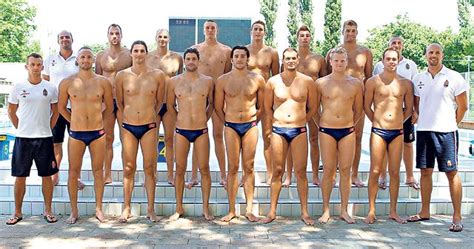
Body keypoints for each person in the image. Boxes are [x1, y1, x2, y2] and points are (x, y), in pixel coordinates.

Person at [407, 43, 467, 232]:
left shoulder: (454, 77)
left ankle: (456, 216)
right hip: (424, 131)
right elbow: (416, 105)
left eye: (437, 52)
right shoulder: (418, 79)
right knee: (425, 172)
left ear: (442, 55)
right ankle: (425, 211)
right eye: (430, 52)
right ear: (425, 55)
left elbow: (463, 106)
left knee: (452, 173)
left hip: (447, 132)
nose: (433, 55)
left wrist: (452, 124)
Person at [57, 47, 114, 224]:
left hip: (97, 133)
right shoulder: (67, 82)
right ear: (78, 60)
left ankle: (98, 209)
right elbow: (61, 108)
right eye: (82, 57)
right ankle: (74, 211)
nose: (86, 60)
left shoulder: (103, 82)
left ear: (93, 60)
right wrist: (73, 121)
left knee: (99, 172)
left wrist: (100, 123)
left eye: (89, 57)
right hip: (76, 133)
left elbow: (110, 107)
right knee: (73, 172)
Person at [261, 48, 316, 225]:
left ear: (298, 59)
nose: (290, 61)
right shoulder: (273, 82)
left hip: (299, 130)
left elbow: (313, 107)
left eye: (293, 58)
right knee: (277, 171)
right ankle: (272, 211)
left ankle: (305, 212)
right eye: (287, 58)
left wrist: (302, 121)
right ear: (283, 61)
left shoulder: (307, 81)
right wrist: (276, 123)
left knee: (301, 172)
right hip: (279, 130)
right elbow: (267, 107)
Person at [115, 41, 166, 223]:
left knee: (149, 168)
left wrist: (152, 117)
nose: (138, 54)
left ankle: (150, 209)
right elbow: (119, 103)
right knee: (128, 167)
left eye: (142, 51)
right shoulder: (122, 76)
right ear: (131, 54)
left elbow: (160, 102)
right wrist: (124, 122)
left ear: (146, 53)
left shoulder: (158, 75)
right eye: (135, 51)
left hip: (149, 126)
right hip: (129, 126)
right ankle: (126, 207)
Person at [6, 53, 60, 225]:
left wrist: (48, 128)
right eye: (32, 64)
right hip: (23, 139)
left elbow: (56, 111)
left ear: (42, 67)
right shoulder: (18, 87)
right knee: (20, 176)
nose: (36, 67)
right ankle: (17, 212)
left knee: (46, 176)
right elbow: (11, 112)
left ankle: (48, 211)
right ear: (26, 66)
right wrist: (21, 128)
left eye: (38, 65)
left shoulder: (50, 87)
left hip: (44, 138)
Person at [215, 46, 265, 222]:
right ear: (231, 59)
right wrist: (228, 121)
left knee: (249, 167)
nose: (239, 59)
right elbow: (218, 107)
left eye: (243, 56)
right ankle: (231, 209)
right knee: (233, 167)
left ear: (247, 59)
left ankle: (249, 209)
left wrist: (253, 121)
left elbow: (262, 107)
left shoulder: (258, 79)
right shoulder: (222, 81)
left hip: (250, 125)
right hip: (231, 126)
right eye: (236, 56)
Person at [364, 47, 413, 224]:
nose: (391, 62)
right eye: (388, 59)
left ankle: (393, 211)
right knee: (375, 170)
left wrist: (399, 122)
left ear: (399, 61)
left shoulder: (406, 83)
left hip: (397, 132)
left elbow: (408, 108)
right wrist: (376, 121)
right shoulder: (372, 82)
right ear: (383, 61)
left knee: (394, 171)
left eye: (394, 59)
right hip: (378, 130)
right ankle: (371, 210)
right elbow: (366, 106)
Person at [315, 47, 363, 224]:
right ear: (330, 61)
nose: (339, 63)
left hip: (347, 130)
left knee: (345, 170)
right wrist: (322, 124)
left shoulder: (356, 83)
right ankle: (326, 210)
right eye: (336, 60)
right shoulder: (320, 83)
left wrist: (350, 124)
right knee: (328, 170)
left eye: (342, 60)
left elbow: (358, 110)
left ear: (347, 62)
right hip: (327, 130)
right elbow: (314, 110)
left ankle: (344, 210)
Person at [168, 48, 214, 221]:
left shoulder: (208, 81)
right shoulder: (173, 82)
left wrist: (204, 119)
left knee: (205, 169)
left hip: (201, 129)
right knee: (179, 169)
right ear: (184, 61)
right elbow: (170, 105)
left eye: (194, 58)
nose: (191, 61)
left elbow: (211, 104)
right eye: (188, 58)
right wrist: (180, 120)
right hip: (182, 130)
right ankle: (179, 207)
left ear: (198, 60)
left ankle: (205, 208)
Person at [326, 20, 373, 187]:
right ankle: (335, 173)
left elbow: (369, 77)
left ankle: (353, 174)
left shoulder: (365, 52)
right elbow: (327, 77)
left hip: (357, 97)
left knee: (357, 137)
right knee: (335, 137)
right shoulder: (334, 52)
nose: (350, 33)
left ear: (357, 32)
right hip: (338, 99)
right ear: (343, 31)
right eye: (348, 30)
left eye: (353, 30)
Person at [373, 36, 419, 190]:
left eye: (399, 43)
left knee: (408, 143)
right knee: (385, 146)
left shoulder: (410, 65)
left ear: (402, 47)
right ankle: (383, 175)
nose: (397, 45)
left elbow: (414, 90)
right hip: (385, 116)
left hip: (405, 112)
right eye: (394, 43)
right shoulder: (379, 66)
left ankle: (410, 175)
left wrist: (414, 110)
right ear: (389, 45)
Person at [190, 20, 231, 187]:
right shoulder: (196, 49)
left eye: (213, 27)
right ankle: (193, 176)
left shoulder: (226, 51)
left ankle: (223, 175)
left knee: (218, 135)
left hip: (219, 95)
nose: (210, 30)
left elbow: (228, 75)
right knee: (195, 135)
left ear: (217, 30)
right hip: (200, 95)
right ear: (203, 30)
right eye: (207, 27)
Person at [42, 30, 83, 189]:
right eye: (62, 37)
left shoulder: (79, 59)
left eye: (67, 37)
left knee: (75, 143)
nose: (64, 39)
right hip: (56, 107)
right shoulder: (50, 59)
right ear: (58, 41)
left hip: (75, 108)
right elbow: (45, 81)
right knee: (56, 143)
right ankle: (55, 174)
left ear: (72, 39)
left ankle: (76, 177)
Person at [95, 24, 132, 184]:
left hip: (125, 100)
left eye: (117, 33)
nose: (114, 36)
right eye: (112, 33)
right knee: (108, 138)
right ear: (107, 35)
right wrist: (99, 102)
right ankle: (107, 173)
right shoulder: (101, 56)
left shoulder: (129, 54)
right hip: (107, 101)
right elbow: (95, 80)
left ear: (122, 35)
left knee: (126, 139)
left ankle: (127, 173)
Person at [290, 25, 327, 187]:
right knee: (290, 138)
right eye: (301, 35)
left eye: (307, 35)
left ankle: (315, 175)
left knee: (314, 138)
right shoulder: (291, 57)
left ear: (310, 38)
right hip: (294, 103)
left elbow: (326, 81)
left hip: (313, 103)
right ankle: (288, 175)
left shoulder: (318, 59)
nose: (304, 38)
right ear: (297, 37)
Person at [147, 29, 183, 185]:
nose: (162, 39)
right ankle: (151, 174)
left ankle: (170, 174)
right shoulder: (147, 57)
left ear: (169, 38)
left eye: (165, 37)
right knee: (151, 140)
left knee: (169, 139)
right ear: (155, 38)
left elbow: (180, 80)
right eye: (160, 37)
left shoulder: (176, 58)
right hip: (153, 103)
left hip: (169, 104)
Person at [246, 20, 279, 185]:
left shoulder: (272, 52)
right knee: (245, 137)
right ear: (251, 31)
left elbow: (276, 77)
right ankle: (245, 174)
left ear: (264, 32)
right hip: (249, 99)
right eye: (256, 29)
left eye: (261, 29)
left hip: (266, 97)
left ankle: (271, 173)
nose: (258, 32)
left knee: (268, 136)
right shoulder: (244, 51)